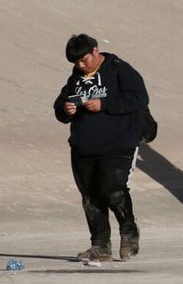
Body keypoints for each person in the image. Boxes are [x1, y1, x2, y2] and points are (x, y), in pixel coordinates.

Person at [53, 34, 148, 262]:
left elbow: (139, 98)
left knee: (113, 192)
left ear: (96, 51)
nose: (80, 65)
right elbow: (59, 107)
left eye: (84, 60)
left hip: (118, 145)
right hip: (83, 147)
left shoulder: (119, 70)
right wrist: (66, 110)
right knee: (90, 197)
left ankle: (129, 232)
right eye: (76, 63)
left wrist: (104, 104)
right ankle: (100, 246)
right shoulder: (76, 78)